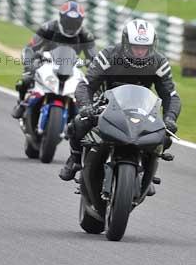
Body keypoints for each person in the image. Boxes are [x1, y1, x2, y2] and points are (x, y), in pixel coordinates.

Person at [59, 17, 181, 181]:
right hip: (107, 104)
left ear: (152, 46)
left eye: (144, 48)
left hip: (142, 109)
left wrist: (170, 118)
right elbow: (86, 85)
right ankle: (75, 159)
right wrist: (85, 106)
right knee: (79, 123)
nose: (140, 51)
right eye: (136, 47)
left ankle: (147, 172)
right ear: (126, 43)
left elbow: (170, 95)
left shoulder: (159, 63)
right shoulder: (109, 56)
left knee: (164, 135)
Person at [11, 0, 96, 119]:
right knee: (26, 79)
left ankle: (76, 121)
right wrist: (29, 65)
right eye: (68, 22)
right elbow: (29, 48)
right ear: (61, 18)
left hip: (71, 67)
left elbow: (94, 59)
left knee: (86, 93)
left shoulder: (86, 35)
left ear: (81, 22)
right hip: (46, 63)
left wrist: (92, 66)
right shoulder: (48, 28)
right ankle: (21, 103)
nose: (71, 26)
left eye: (75, 23)